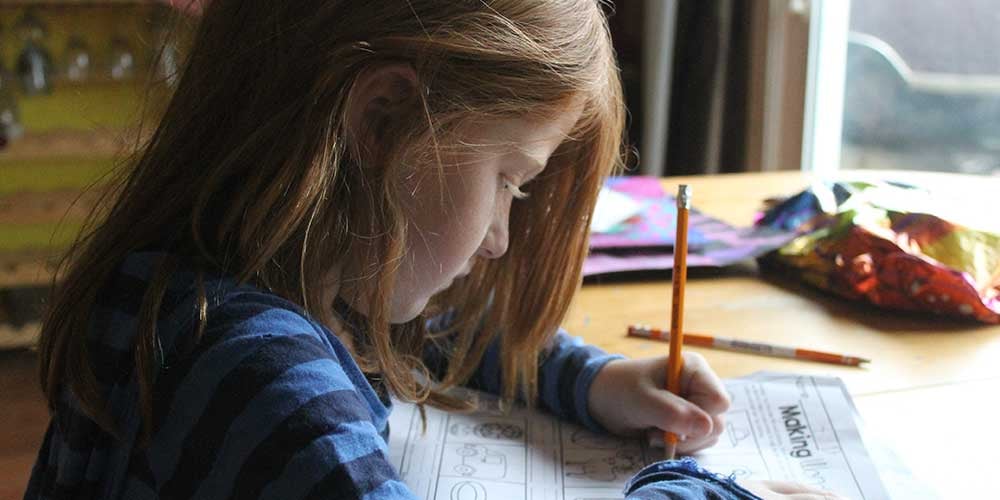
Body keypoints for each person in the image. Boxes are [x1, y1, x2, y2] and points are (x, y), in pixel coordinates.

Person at [25, 1, 843, 499]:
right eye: (507, 180)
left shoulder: (218, 279)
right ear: (380, 123)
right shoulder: (256, 376)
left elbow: (424, 331)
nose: (499, 237)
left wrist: (587, 379)